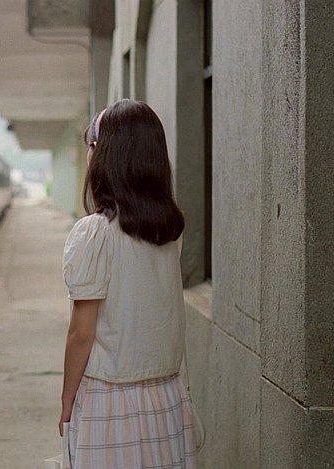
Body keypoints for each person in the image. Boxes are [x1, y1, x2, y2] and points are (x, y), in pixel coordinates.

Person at [59, 99, 197, 467]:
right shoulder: (168, 231)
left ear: (103, 154)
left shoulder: (94, 233)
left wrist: (67, 399)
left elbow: (81, 333)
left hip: (109, 401)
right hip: (166, 396)